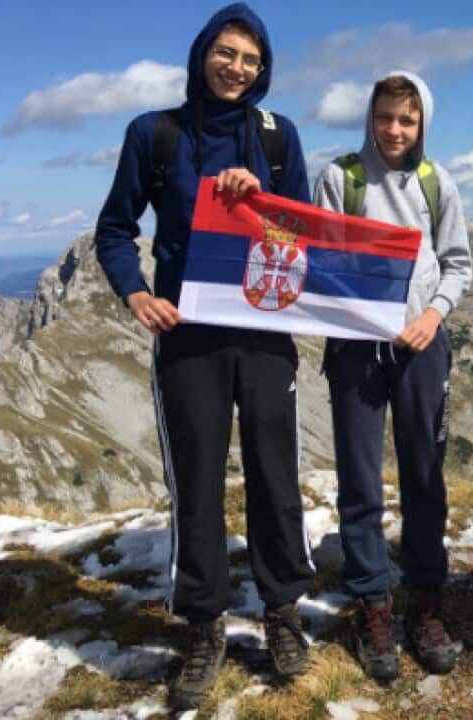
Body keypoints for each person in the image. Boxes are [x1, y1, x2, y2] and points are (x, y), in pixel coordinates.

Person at [93, 3, 313, 710]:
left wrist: (263, 198)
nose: (236, 68)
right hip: (188, 334)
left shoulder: (278, 136)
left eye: (250, 59)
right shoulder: (154, 134)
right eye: (226, 53)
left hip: (264, 330)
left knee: (275, 472)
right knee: (196, 480)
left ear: (263, 68)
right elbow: (115, 229)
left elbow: (301, 232)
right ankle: (203, 625)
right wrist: (135, 294)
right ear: (202, 55)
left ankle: (282, 613)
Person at [312, 71, 471, 684]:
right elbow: (320, 260)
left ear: (423, 122)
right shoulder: (340, 179)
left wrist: (433, 316)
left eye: (407, 119)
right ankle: (372, 604)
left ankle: (426, 601)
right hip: (356, 349)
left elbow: (457, 263)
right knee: (359, 479)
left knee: (424, 476)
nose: (395, 129)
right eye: (385, 117)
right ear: (370, 118)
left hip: (422, 345)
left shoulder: (437, 182)